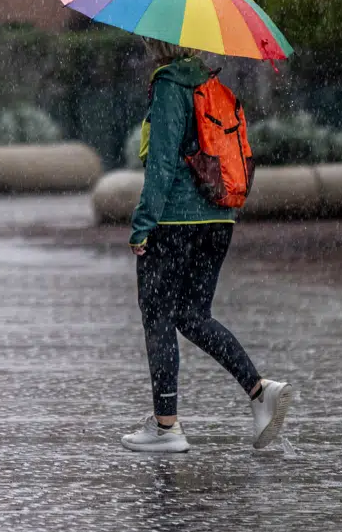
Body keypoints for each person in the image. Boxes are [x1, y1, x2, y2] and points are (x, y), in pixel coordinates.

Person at [121, 36, 294, 453]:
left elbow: (162, 163)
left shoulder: (169, 86)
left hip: (176, 222)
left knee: (159, 315)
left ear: (155, 43)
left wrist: (143, 225)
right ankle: (259, 391)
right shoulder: (210, 84)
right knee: (192, 314)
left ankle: (167, 427)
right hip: (219, 218)